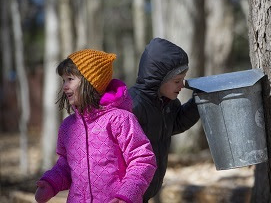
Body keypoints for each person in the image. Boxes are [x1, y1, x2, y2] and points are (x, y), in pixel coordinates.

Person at [35, 49, 156, 203]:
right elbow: (66, 165)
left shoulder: (120, 119)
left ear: (90, 82)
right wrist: (51, 183)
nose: (65, 86)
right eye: (63, 80)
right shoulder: (68, 126)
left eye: (70, 79)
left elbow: (143, 160)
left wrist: (127, 194)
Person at [128, 38, 200, 202]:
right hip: (125, 192)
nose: (182, 85)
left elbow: (177, 123)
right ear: (158, 79)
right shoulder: (133, 105)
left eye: (183, 79)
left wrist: (198, 102)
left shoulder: (168, 104)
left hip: (145, 190)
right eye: (177, 81)